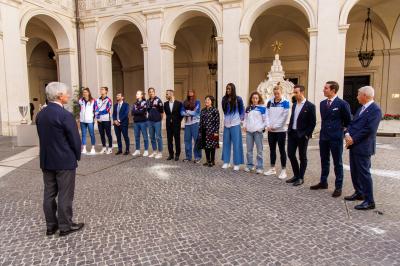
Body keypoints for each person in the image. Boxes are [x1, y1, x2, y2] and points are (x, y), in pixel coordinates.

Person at [36, 82, 84, 237]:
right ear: (59, 96)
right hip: (64, 161)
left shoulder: (41, 114)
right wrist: (76, 155)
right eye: (66, 93)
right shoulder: (65, 115)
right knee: (65, 194)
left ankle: (51, 226)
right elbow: (75, 139)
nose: (68, 95)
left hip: (47, 160)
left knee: (49, 193)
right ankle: (65, 226)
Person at [310, 81, 352, 198]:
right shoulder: (323, 103)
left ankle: (338, 187)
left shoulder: (342, 104)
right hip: (324, 137)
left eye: (326, 88)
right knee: (324, 160)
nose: (323, 90)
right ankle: (323, 182)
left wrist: (345, 133)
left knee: (337, 162)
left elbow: (348, 121)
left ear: (333, 90)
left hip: (336, 137)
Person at [344, 86, 382, 210]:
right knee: (354, 171)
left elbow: (370, 129)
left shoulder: (375, 109)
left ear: (365, 96)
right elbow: (353, 123)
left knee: (364, 173)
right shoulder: (361, 108)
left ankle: (370, 201)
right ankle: (359, 192)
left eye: (358, 94)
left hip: (363, 146)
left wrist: (353, 139)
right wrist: (348, 134)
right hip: (354, 145)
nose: (356, 96)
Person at [286, 85, 316, 186]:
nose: (294, 94)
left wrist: (307, 135)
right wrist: (289, 130)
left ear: (302, 92)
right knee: (290, 154)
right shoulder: (294, 104)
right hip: (292, 133)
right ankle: (296, 175)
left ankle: (301, 177)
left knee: (302, 157)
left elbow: (312, 123)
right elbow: (292, 118)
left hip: (302, 135)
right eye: (294, 92)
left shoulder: (310, 106)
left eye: (296, 92)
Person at [264, 83, 290, 179]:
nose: (276, 95)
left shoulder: (286, 102)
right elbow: (266, 114)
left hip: (281, 130)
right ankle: (272, 168)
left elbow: (284, 117)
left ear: (281, 92)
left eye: (278, 93)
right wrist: (268, 125)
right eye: (275, 93)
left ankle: (283, 170)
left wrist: (275, 126)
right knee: (272, 150)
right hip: (271, 130)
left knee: (282, 150)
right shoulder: (269, 102)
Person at [243, 91, 269, 174]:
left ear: (259, 99)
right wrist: (244, 126)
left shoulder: (262, 108)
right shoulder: (248, 108)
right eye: (253, 98)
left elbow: (266, 121)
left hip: (258, 132)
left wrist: (260, 128)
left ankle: (259, 167)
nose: (254, 99)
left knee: (259, 150)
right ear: (251, 99)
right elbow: (245, 119)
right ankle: (250, 165)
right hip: (249, 132)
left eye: (256, 98)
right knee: (249, 150)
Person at [221, 83, 245, 171]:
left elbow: (242, 111)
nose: (228, 90)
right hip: (227, 124)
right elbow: (224, 111)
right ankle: (226, 162)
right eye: (227, 89)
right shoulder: (224, 99)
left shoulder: (238, 99)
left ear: (233, 89)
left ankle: (237, 163)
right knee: (226, 143)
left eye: (229, 89)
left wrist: (241, 120)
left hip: (235, 124)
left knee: (236, 144)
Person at [198, 95, 220, 167]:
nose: (206, 101)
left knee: (212, 146)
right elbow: (201, 121)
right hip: (204, 131)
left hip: (212, 131)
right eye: (206, 99)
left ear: (211, 101)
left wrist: (216, 132)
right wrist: (200, 131)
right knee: (206, 146)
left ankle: (212, 161)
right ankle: (208, 160)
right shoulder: (203, 110)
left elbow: (217, 122)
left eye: (208, 100)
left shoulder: (215, 110)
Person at [181, 89, 202, 163]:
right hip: (187, 124)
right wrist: (189, 113)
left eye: (191, 92)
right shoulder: (185, 102)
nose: (190, 93)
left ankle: (197, 157)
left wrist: (188, 112)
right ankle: (188, 157)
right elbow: (181, 112)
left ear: (194, 93)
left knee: (196, 140)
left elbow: (197, 112)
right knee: (187, 141)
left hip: (195, 123)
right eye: (189, 92)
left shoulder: (197, 101)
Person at [164, 89, 183, 161]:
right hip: (168, 124)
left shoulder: (179, 103)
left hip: (176, 124)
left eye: (167, 94)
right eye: (166, 94)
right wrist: (170, 119)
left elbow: (181, 114)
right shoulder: (165, 104)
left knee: (177, 139)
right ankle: (171, 154)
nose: (166, 95)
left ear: (171, 94)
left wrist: (178, 121)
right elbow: (167, 113)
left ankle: (177, 154)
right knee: (169, 139)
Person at [147, 87, 164, 159]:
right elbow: (148, 110)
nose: (151, 93)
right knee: (152, 137)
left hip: (157, 121)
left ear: (154, 92)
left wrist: (160, 119)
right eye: (150, 92)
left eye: (152, 92)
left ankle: (160, 152)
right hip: (150, 121)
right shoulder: (148, 101)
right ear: (148, 93)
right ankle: (154, 151)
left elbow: (162, 111)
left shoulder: (158, 100)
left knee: (158, 137)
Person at [95, 87, 113, 154]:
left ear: (106, 91)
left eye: (102, 89)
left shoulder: (108, 100)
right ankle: (104, 147)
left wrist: (99, 112)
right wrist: (97, 117)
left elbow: (107, 110)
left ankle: (110, 148)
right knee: (101, 134)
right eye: (100, 89)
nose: (101, 91)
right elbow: (95, 108)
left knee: (108, 134)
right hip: (99, 120)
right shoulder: (97, 100)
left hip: (106, 119)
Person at [78, 88, 96, 155]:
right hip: (82, 120)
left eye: (86, 92)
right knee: (83, 134)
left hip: (90, 120)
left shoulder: (93, 101)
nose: (84, 93)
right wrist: (79, 117)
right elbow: (80, 109)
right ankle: (84, 148)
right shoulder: (80, 101)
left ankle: (93, 148)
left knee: (92, 134)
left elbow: (95, 110)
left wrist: (94, 118)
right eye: (83, 92)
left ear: (88, 93)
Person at [131, 90, 149, 157]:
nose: (136, 95)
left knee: (145, 137)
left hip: (143, 122)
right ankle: (137, 150)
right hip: (136, 122)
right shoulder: (135, 103)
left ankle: (146, 150)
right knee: (136, 137)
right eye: (136, 93)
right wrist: (138, 110)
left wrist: (136, 111)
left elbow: (143, 112)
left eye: (138, 94)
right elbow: (132, 112)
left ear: (142, 95)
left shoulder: (145, 102)